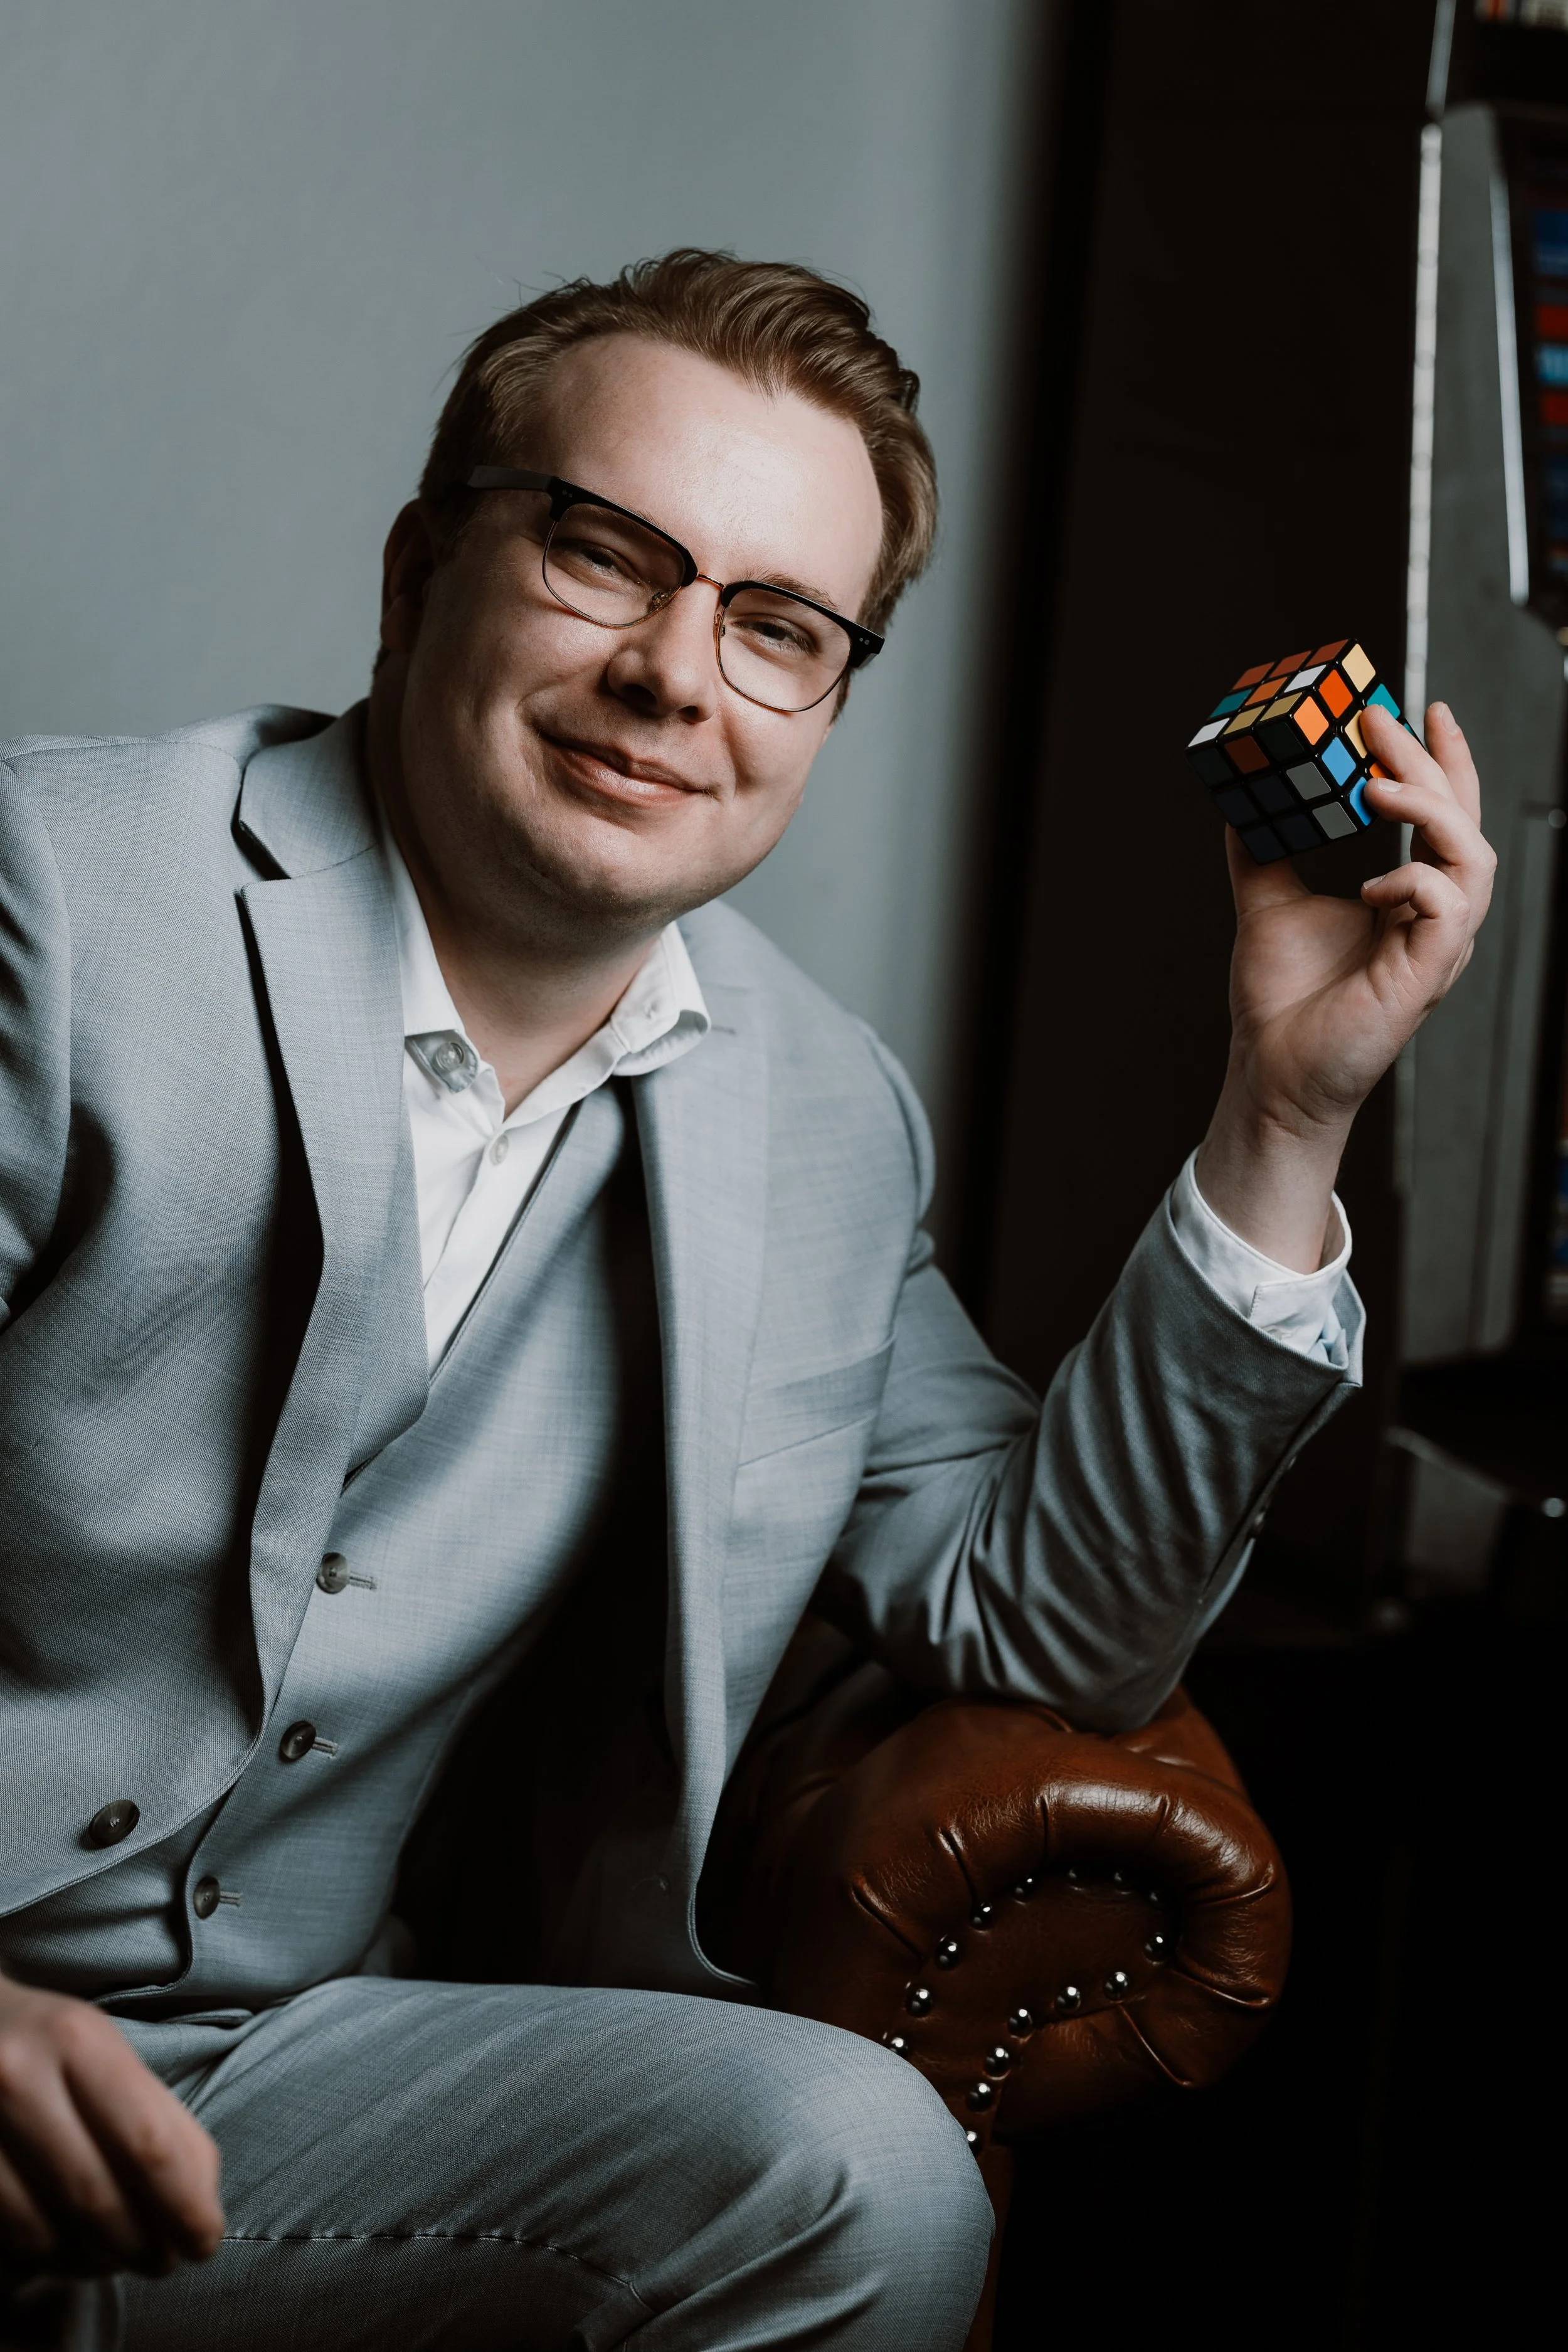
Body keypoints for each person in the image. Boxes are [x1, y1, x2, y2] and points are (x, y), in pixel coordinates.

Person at [0, 250, 1493, 2351]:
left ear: (824, 702)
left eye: (777, 625)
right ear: (421, 571)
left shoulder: (815, 1112)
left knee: (854, 2164)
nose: (674, 674)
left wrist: (1285, 1107)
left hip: (266, 2085)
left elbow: (1049, 1626)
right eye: (604, 556)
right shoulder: (56, 900)